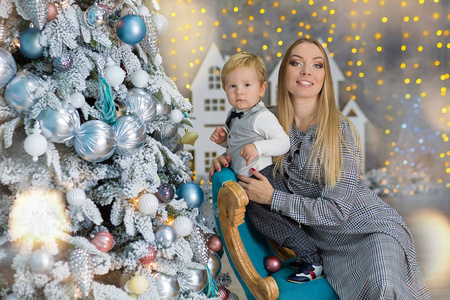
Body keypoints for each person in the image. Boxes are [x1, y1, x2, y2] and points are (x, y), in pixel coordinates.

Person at [210, 38, 430, 298]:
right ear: (284, 74)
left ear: (324, 77)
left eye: (317, 65)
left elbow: (337, 211)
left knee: (383, 284)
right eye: (296, 63)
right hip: (324, 245)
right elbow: (243, 150)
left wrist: (273, 198)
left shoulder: (342, 131)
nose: (306, 71)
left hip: (368, 229)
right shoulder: (260, 119)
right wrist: (223, 157)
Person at [210, 52, 323, 283]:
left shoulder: (262, 116)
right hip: (250, 178)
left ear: (261, 89)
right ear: (225, 89)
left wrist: (258, 148)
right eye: (232, 86)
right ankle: (303, 255)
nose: (239, 91)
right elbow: (240, 143)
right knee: (270, 224)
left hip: (264, 178)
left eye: (246, 85)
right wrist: (225, 141)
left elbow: (283, 143)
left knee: (275, 224)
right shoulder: (235, 114)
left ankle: (313, 262)